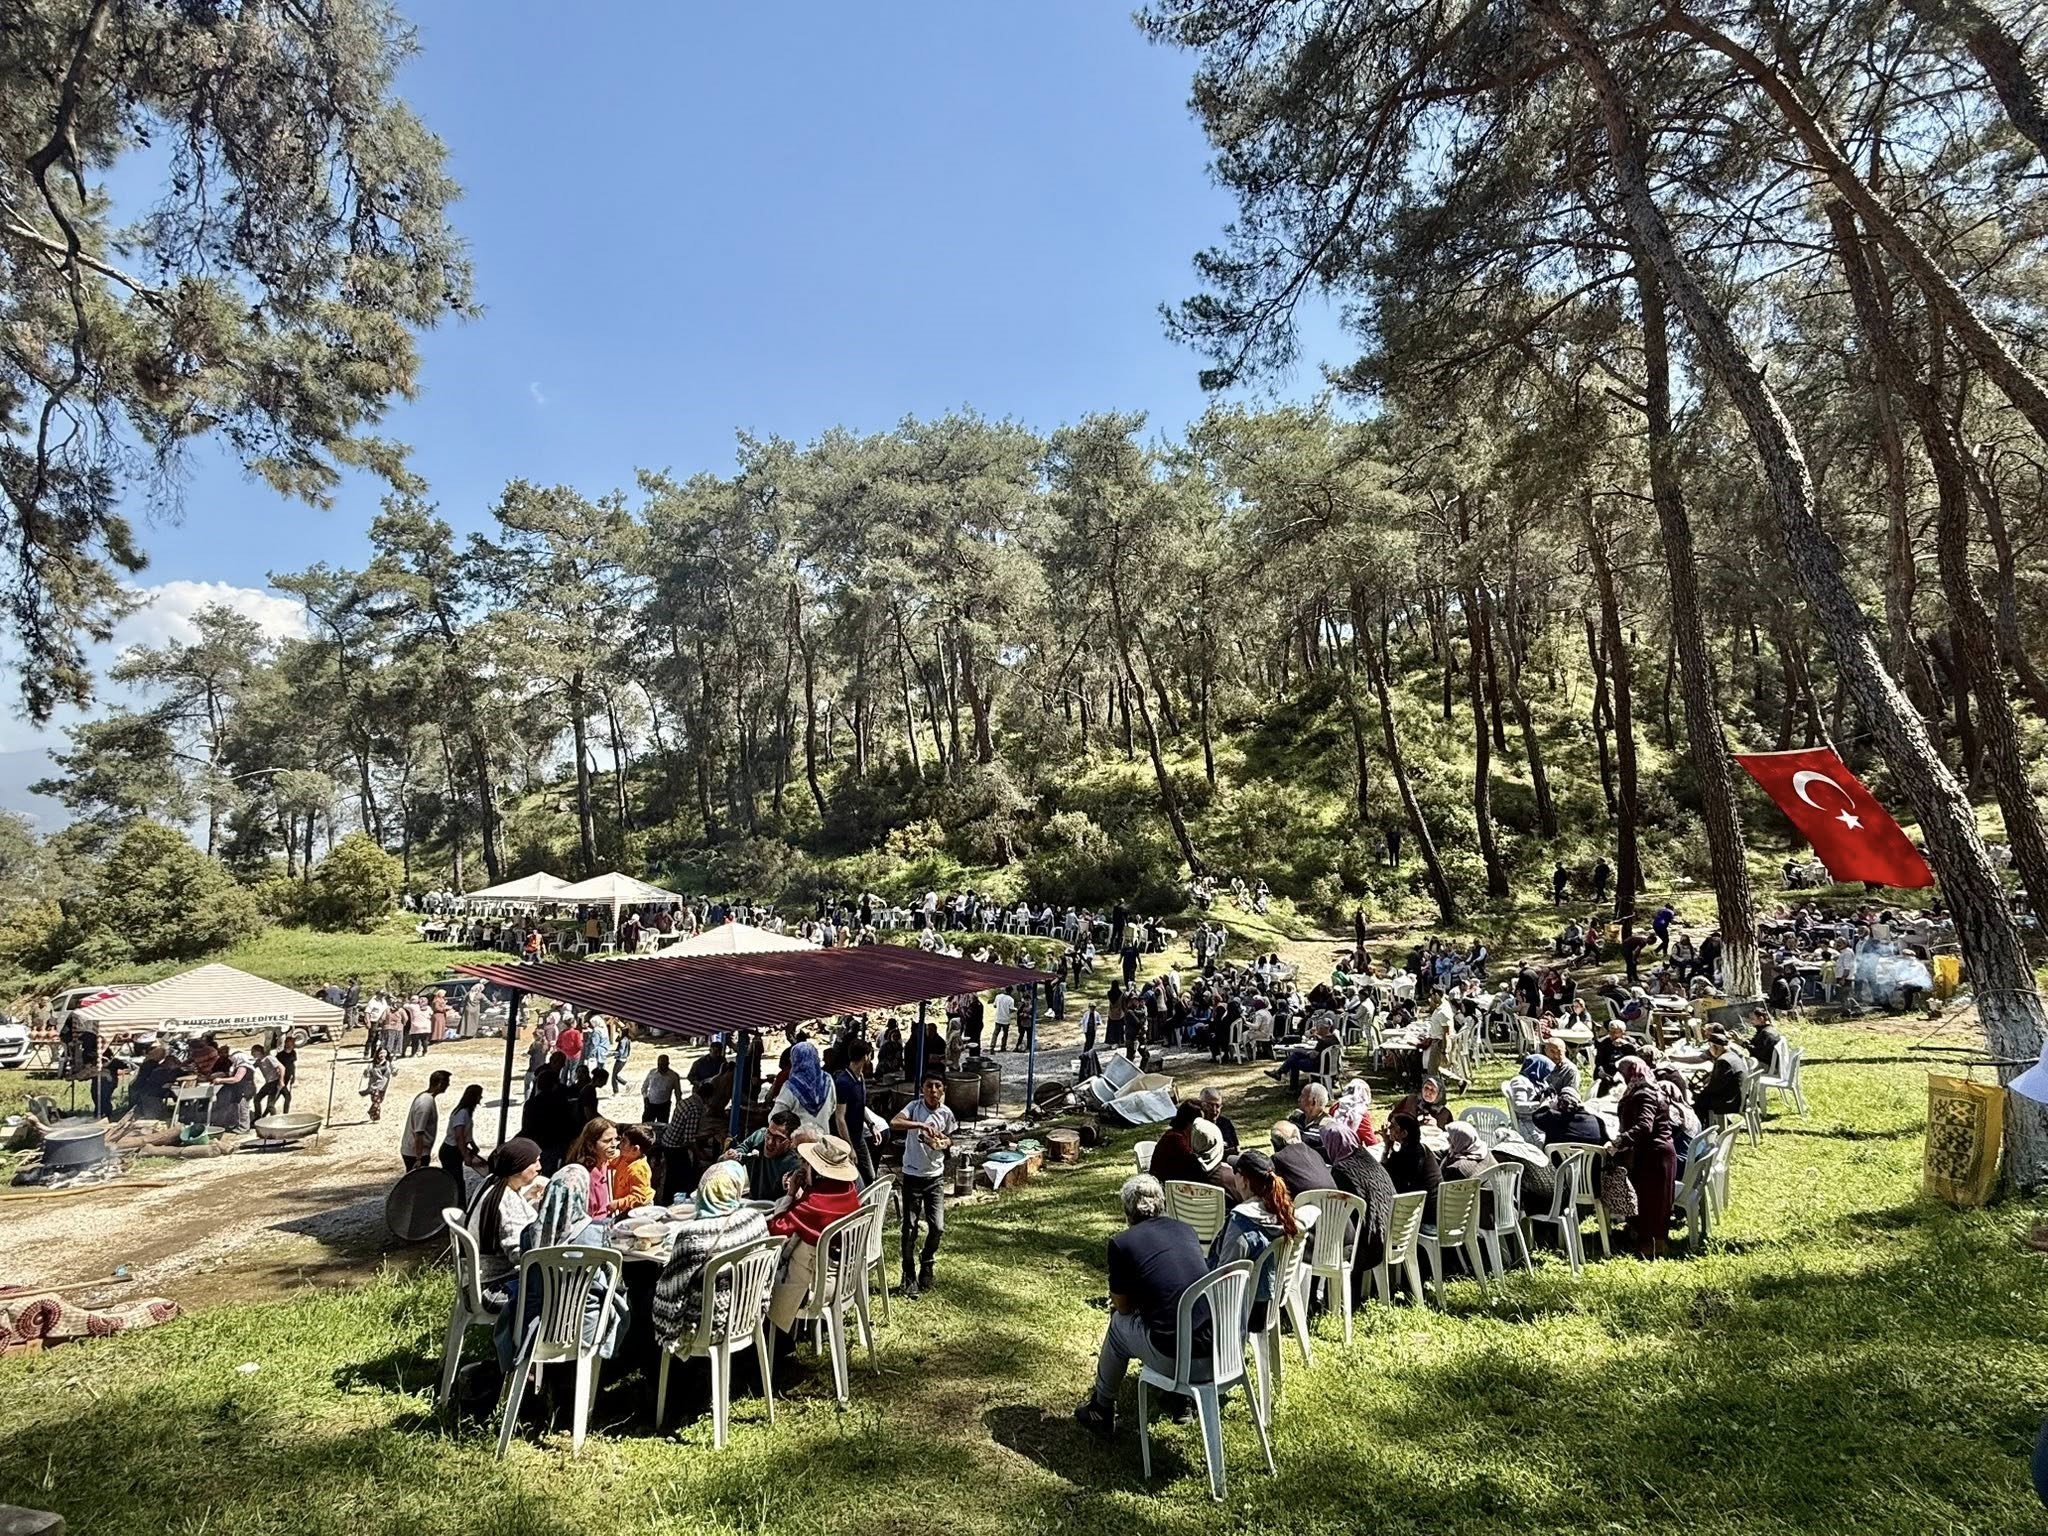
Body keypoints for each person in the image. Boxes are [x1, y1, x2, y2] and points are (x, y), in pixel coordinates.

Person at [1072, 1173, 1212, 1439]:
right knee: (1173, 1317)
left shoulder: (1122, 1244)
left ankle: (1101, 1408)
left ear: (1127, 1210)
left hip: (1177, 1361)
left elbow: (1122, 1307)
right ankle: (1179, 1399)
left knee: (1118, 1326)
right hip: (1217, 1353)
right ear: (1161, 1204)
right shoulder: (1186, 1230)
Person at [651, 1160, 770, 1350]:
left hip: (704, 1323)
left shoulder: (693, 1234)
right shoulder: (755, 1219)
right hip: (747, 1312)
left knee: (648, 1292)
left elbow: (671, 1289)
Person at [766, 1134, 864, 1335]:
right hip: (841, 1279)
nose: (802, 1166)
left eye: (806, 1163)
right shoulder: (848, 1191)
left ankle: (766, 1347)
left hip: (809, 1288)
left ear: (817, 1171)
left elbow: (776, 1229)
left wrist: (791, 1193)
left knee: (754, 1279)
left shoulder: (814, 1205)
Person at [1209, 1149, 1310, 1327]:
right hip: (1270, 1303)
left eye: (1236, 1172)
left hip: (1240, 1310)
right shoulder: (1282, 1211)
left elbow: (1225, 1275)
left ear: (1244, 1181)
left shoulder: (1242, 1221)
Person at [892, 1073, 957, 1299]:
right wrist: (919, 1125)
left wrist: (943, 1141)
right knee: (909, 1228)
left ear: (944, 1090)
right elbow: (894, 1122)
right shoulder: (914, 1107)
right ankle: (908, 1275)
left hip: (935, 1178)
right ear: (922, 1089)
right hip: (912, 1175)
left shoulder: (946, 1113)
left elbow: (950, 1139)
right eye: (929, 1086)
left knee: (937, 1226)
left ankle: (927, 1262)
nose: (933, 1090)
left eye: (937, 1086)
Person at [1611, 1056, 1677, 1257]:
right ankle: (1651, 1241)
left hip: (1654, 1154)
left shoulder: (1644, 1094)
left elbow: (1644, 1126)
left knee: (1652, 1202)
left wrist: (1619, 1141)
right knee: (1653, 1200)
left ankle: (1651, 1247)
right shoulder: (1651, 1089)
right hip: (1653, 1152)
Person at [1381, 1110, 1443, 1223]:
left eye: (1393, 1126)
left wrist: (1386, 1147)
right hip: (1437, 1209)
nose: (1389, 1129)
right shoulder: (1423, 1149)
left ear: (1404, 1133)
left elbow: (1382, 1174)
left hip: (1422, 1215)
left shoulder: (1402, 1156)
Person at [773, 1040, 838, 1140]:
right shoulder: (828, 1080)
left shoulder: (791, 1086)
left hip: (799, 1143)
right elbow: (832, 1107)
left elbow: (776, 1116)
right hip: (822, 1140)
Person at [832, 1036, 875, 1185]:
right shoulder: (843, 1082)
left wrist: (871, 1124)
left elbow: (860, 1106)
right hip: (846, 1139)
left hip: (859, 1136)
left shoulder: (860, 1077)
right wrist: (849, 1147)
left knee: (870, 1176)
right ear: (866, 1057)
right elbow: (840, 1117)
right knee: (854, 1181)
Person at [733, 1111, 802, 1201]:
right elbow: (741, 1150)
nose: (770, 1142)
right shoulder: (759, 1137)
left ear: (791, 1142)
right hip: (752, 1201)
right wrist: (733, 1155)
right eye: (769, 1134)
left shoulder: (794, 1163)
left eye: (778, 1138)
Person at [563, 1117, 621, 1222]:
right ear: (591, 1145)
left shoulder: (605, 1161)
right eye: (607, 1141)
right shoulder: (587, 1177)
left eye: (616, 1139)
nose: (614, 1145)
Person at [1692, 1029, 1746, 1126]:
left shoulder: (1723, 1061)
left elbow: (1715, 1086)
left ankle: (1703, 1128)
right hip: (1738, 1094)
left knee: (1699, 1100)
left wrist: (1700, 1090)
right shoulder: (1732, 1054)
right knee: (1701, 1096)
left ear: (1715, 1047)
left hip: (1732, 1100)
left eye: (1710, 1047)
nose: (1709, 1051)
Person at [1148, 1101, 1210, 1185]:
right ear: (1190, 1122)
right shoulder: (1175, 1139)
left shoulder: (1181, 1135)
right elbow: (1196, 1165)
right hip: (1168, 1188)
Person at [440, 1082, 485, 1195]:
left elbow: (466, 1134)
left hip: (455, 1150)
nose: (481, 1097)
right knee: (455, 1181)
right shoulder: (462, 1113)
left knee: (457, 1180)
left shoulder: (466, 1113)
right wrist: (466, 1156)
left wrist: (473, 1145)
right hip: (451, 1151)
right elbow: (459, 1137)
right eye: (479, 1095)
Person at [402, 1070, 450, 1171]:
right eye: (447, 1082)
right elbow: (419, 1132)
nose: (448, 1085)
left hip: (417, 1152)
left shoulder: (426, 1098)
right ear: (440, 1084)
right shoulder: (425, 1103)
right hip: (415, 1154)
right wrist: (418, 1158)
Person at [1269, 1120, 1334, 1192]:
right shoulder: (1313, 1152)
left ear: (1274, 1143)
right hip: (1336, 1198)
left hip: (1306, 1200)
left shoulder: (1278, 1158)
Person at [608, 1126, 655, 1214]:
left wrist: (618, 1203)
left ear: (635, 1149)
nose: (620, 1144)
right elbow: (611, 1163)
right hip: (627, 1206)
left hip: (639, 1209)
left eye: (624, 1141)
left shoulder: (638, 1170)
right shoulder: (624, 1158)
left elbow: (639, 1197)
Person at [1388, 1074, 1454, 1130]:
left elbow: (1450, 1136)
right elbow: (1392, 1117)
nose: (1428, 1092)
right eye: (1426, 1088)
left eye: (1432, 1090)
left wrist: (1436, 1127)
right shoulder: (1410, 1101)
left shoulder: (1444, 1114)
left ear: (1439, 1094)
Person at [1594, 1019, 1642, 1095]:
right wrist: (1601, 1070)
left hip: (1626, 1072)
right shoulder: (1603, 1043)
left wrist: (1626, 1044)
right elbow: (1598, 1061)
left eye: (1616, 1032)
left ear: (1623, 1033)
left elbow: (1639, 1055)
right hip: (1609, 1072)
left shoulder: (1631, 1041)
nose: (1613, 1035)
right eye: (1611, 1032)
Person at [642, 1053, 682, 1125]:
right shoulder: (652, 1073)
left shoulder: (673, 1076)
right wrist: (645, 1098)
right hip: (650, 1104)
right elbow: (644, 1087)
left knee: (662, 1126)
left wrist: (678, 1104)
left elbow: (678, 1092)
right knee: (645, 1126)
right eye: (659, 1064)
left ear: (668, 1064)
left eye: (663, 1064)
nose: (661, 1067)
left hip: (664, 1106)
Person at [249, 1043, 285, 1121]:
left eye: (253, 1052)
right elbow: (251, 1068)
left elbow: (282, 1067)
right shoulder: (258, 1061)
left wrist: (281, 1081)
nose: (252, 1054)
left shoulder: (269, 1058)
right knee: (257, 1099)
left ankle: (274, 1120)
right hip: (268, 1083)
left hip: (275, 1082)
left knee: (270, 1105)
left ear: (259, 1051)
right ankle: (258, 1117)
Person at [360, 1046, 396, 1122]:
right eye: (380, 1053)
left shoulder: (389, 1064)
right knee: (376, 1101)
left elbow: (394, 1072)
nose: (382, 1055)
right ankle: (375, 1117)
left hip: (383, 1086)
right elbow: (367, 1075)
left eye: (384, 1053)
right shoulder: (372, 1065)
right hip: (374, 1086)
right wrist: (366, 1072)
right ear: (377, 1054)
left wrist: (395, 1072)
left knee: (380, 1101)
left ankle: (371, 1112)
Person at [1198, 1086, 1238, 1152]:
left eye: (1217, 1106)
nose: (1214, 1110)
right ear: (1201, 1105)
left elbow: (1236, 1147)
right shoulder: (1195, 1125)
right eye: (1210, 1105)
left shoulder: (1226, 1123)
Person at [1746, 1007, 1785, 1075]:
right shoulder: (1768, 1029)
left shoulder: (1766, 1033)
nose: (1750, 1021)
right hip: (1772, 1063)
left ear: (1761, 1019)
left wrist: (1745, 1045)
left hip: (1769, 1067)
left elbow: (1758, 1053)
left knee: (1742, 1066)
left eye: (1752, 1019)